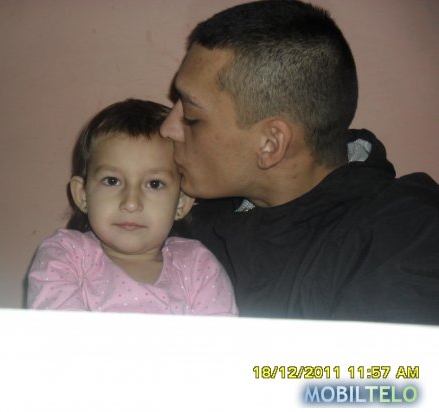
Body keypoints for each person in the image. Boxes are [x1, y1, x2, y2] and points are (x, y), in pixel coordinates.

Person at [159, 0, 439, 324]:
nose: (167, 128)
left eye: (191, 117)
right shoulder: (185, 206)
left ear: (270, 144)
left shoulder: (407, 240)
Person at [27, 99, 238, 316]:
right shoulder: (64, 255)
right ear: (82, 195)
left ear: (181, 202)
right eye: (112, 181)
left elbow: (220, 335)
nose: (131, 203)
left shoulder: (198, 267)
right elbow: (58, 330)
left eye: (154, 184)